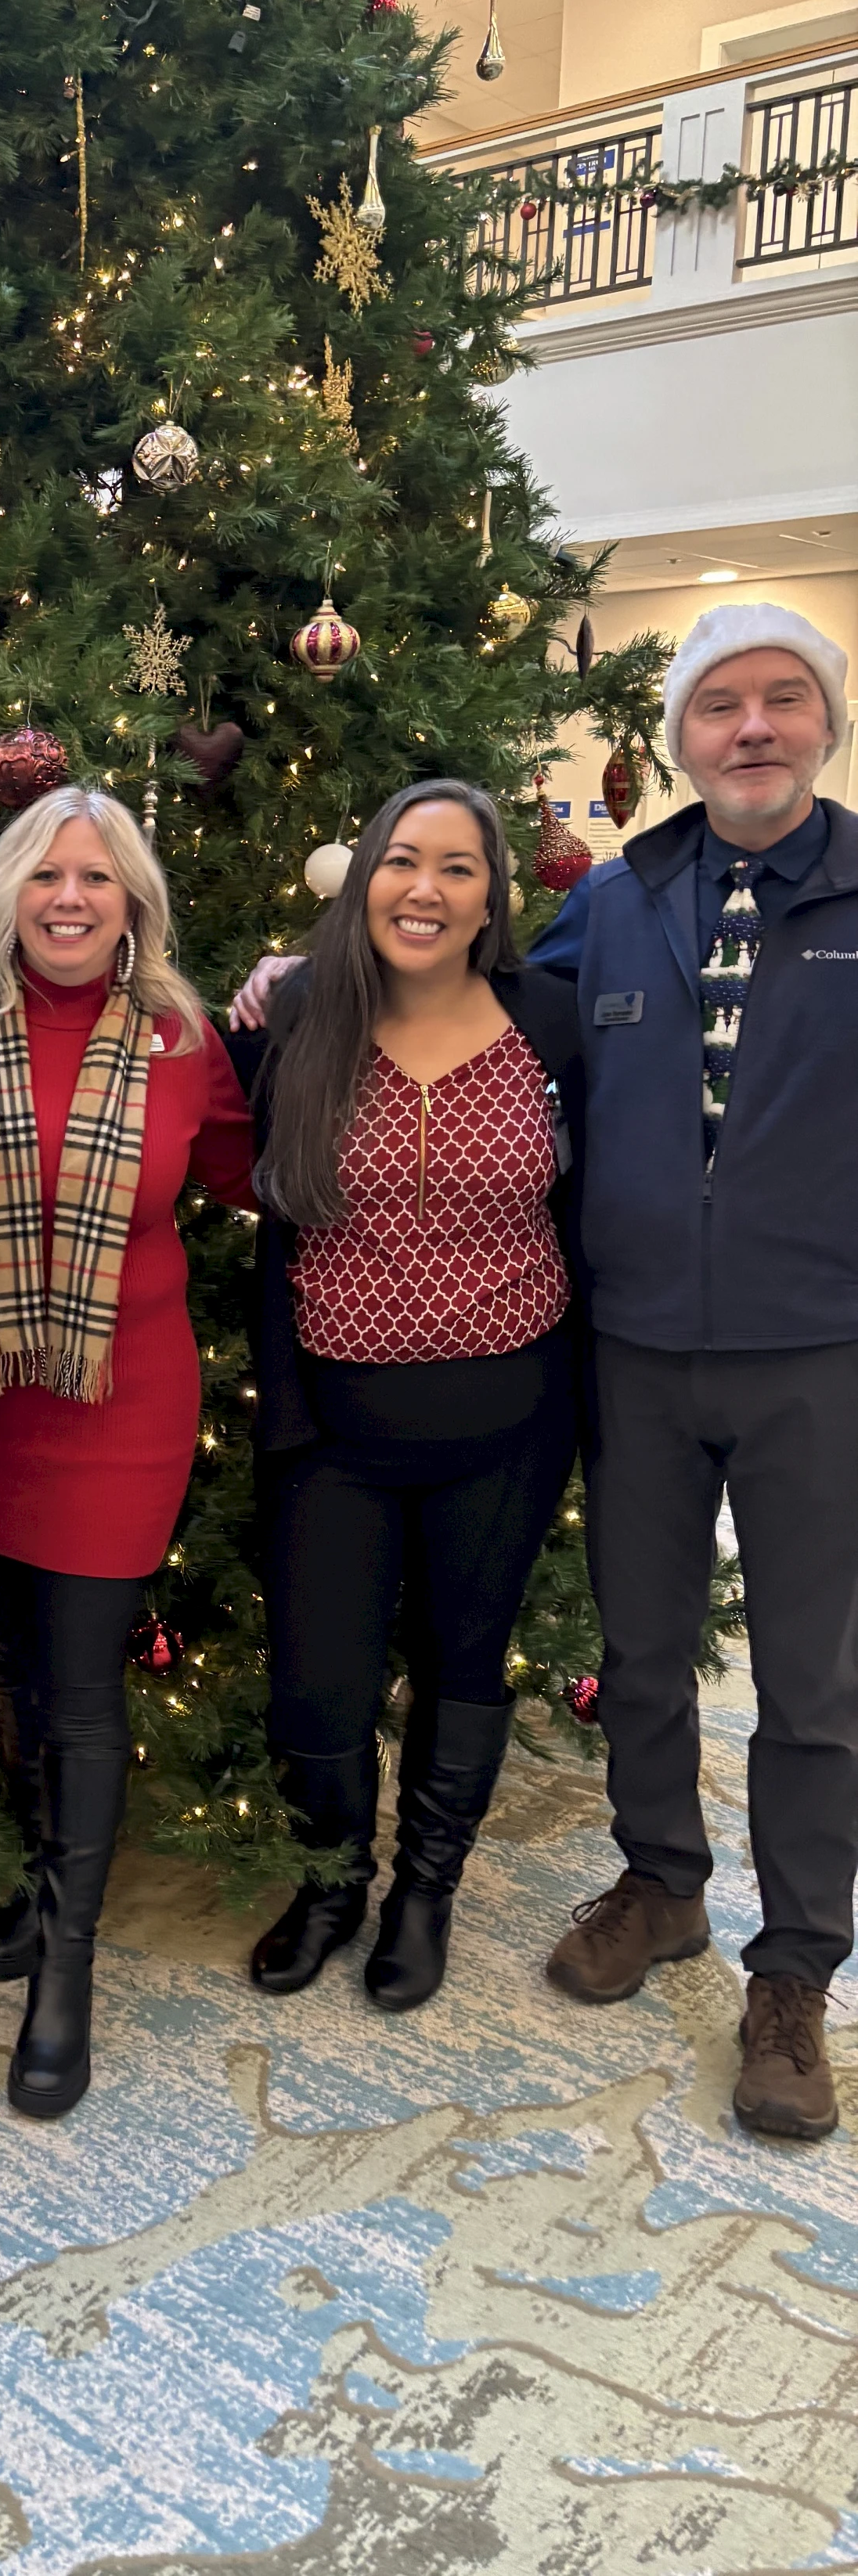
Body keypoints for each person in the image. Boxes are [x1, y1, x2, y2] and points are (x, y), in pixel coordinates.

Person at [229, 603, 856, 2140]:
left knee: (813, 1681)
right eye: (719, 705)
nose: (751, 727)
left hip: (814, 1353)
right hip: (630, 1352)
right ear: (677, 738)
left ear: (824, 722)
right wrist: (282, 969)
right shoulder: (620, 904)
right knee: (641, 1653)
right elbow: (455, 967)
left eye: (783, 699)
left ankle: (793, 1975)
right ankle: (658, 1884)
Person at [226, 780, 584, 2014]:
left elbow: (592, 1207)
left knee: (463, 1659)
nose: (423, 889)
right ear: (363, 879)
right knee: (316, 1681)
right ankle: (330, 1884)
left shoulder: (553, 1022)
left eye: (456, 868)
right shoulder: (298, 1018)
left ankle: (423, 1891)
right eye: (398, 862)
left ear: (492, 896)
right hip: (334, 1427)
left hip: (507, 1421)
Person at [0, 785, 258, 2117]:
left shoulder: (181, 1039)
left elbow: (251, 1170)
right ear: (7, 889)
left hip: (120, 1405)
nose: (69, 898)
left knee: (77, 1686)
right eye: (45, 873)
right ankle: (34, 1879)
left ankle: (64, 1971)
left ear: (134, 905)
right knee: (12, 1662)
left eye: (98, 878)